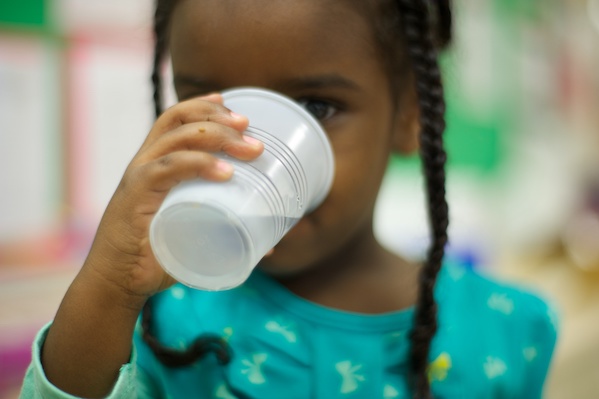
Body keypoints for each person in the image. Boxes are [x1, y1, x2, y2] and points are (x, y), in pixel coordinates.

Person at [20, 0, 558, 398]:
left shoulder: (509, 329)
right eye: (213, 106)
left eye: (317, 107)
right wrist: (110, 286)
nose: (251, 151)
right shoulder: (154, 325)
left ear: (411, 115)